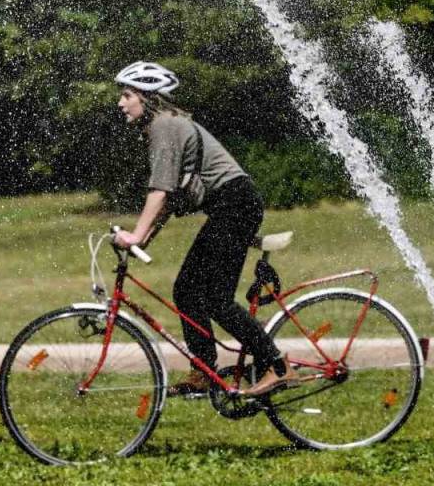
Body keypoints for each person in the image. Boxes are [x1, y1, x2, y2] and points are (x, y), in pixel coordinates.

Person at [111, 61, 296, 398]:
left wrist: (136, 235)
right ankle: (205, 371)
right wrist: (145, 238)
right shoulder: (165, 126)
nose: (120, 103)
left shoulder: (163, 127)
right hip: (232, 206)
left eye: (126, 95)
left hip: (235, 205)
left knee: (215, 299)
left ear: (148, 98)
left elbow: (160, 190)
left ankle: (276, 365)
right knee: (186, 289)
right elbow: (171, 197)